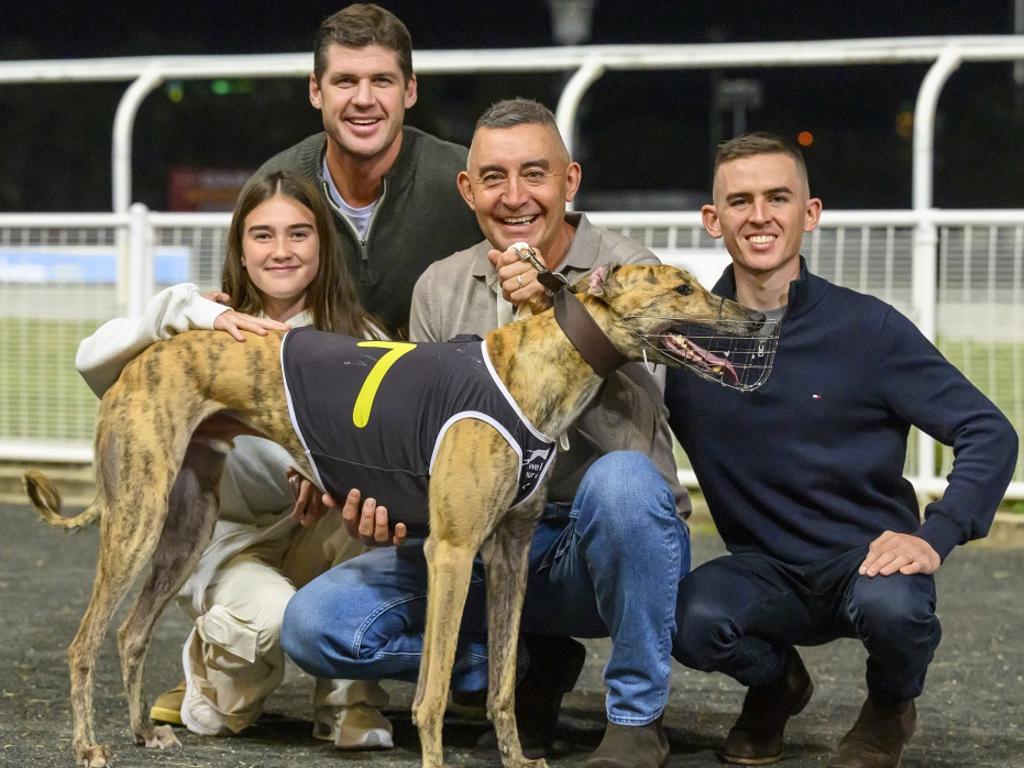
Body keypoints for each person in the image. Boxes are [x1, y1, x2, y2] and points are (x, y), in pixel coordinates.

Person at [281, 98, 691, 768]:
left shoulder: (626, 273)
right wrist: (384, 501)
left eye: (535, 174)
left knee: (623, 487)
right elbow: (427, 449)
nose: (515, 196)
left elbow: (636, 438)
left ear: (570, 181)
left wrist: (553, 311)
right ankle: (516, 665)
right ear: (468, 190)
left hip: (587, 550)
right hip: (479, 547)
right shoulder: (441, 288)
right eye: (494, 178)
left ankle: (635, 717)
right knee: (315, 626)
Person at [665, 133, 1018, 768]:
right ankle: (776, 688)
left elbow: (989, 431)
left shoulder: (868, 328)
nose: (760, 216)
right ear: (714, 221)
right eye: (740, 201)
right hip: (764, 572)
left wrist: (935, 535)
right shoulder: (684, 343)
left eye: (779, 197)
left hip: (868, 563)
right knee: (684, 617)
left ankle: (889, 710)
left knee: (895, 608)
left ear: (811, 211)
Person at [75, 170, 397, 749]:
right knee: (273, 625)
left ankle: (353, 700)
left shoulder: (362, 338)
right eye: (262, 236)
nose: (281, 251)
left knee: (367, 519)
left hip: (317, 536)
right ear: (240, 251)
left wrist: (327, 468)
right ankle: (210, 673)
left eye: (299, 234)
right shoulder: (209, 330)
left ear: (323, 246)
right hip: (231, 543)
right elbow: (92, 361)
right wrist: (181, 310)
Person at [253, 2, 481, 339]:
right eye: (345, 81)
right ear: (316, 91)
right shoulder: (275, 186)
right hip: (313, 385)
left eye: (382, 81)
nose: (364, 98)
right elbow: (241, 308)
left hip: (442, 382)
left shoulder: (463, 181)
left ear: (410, 90)